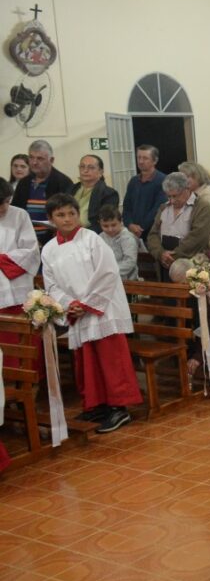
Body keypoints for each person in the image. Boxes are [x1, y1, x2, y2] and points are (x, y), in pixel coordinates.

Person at [41, 193, 143, 433]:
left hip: (102, 309)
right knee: (87, 361)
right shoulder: (49, 249)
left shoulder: (93, 240)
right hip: (77, 312)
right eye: (61, 215)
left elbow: (107, 273)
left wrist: (85, 304)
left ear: (79, 215)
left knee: (110, 359)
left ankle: (119, 407)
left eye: (71, 214)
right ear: (51, 219)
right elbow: (51, 284)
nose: (67, 219)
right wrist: (68, 304)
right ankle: (97, 404)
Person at [147, 172, 210, 274]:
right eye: (169, 196)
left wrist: (174, 255)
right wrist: (161, 254)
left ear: (187, 189)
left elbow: (198, 237)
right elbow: (153, 234)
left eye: (175, 196)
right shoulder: (164, 207)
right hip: (165, 264)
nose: (172, 200)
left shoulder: (202, 207)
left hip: (193, 265)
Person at [0, 179, 39, 346]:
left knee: (19, 344)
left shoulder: (20, 215)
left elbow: (30, 251)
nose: (4, 208)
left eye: (7, 202)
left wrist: (2, 260)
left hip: (16, 287)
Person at [15, 140, 73, 244]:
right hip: (25, 240)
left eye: (40, 158)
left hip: (54, 240)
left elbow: (66, 216)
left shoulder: (63, 182)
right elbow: (16, 211)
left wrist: (43, 241)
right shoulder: (24, 183)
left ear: (51, 160)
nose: (34, 162)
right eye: (31, 157)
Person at [122, 145, 166, 241]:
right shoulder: (133, 181)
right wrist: (129, 224)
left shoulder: (163, 181)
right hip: (132, 232)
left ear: (155, 161)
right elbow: (126, 206)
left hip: (153, 233)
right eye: (139, 157)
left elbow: (158, 208)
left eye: (145, 158)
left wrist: (141, 227)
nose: (141, 161)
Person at [71, 155, 120, 232]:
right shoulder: (72, 189)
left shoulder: (109, 194)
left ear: (100, 172)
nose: (85, 170)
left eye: (91, 167)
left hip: (90, 235)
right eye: (82, 166)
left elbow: (106, 223)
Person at [98, 206, 139, 281]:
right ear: (100, 224)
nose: (110, 229)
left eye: (113, 225)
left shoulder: (127, 238)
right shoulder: (99, 237)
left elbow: (130, 262)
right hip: (104, 278)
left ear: (121, 222)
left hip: (127, 281)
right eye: (105, 226)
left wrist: (109, 272)